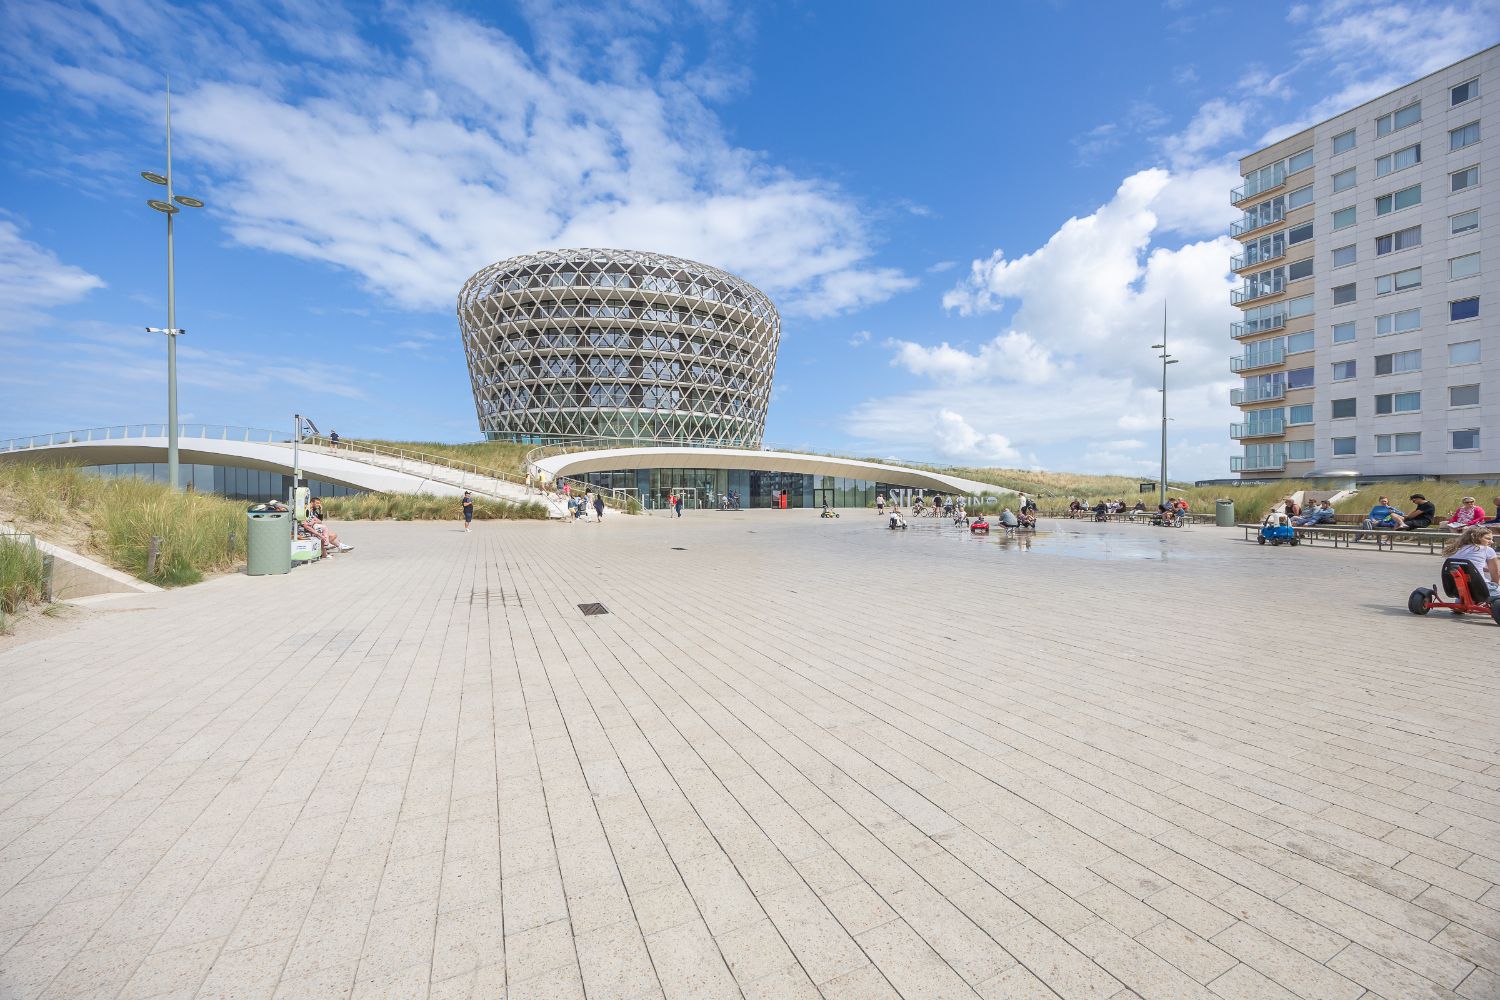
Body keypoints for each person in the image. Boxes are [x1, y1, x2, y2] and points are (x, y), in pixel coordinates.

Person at [1442, 525, 1500, 598]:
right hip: (1479, 589)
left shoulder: (1454, 549)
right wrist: (1496, 585)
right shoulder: (1486, 550)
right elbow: (1495, 572)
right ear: (1477, 537)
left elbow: (1468, 565)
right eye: (1488, 539)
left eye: (1492, 539)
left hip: (1456, 588)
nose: (1491, 542)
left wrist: (1485, 569)